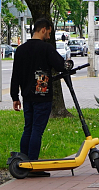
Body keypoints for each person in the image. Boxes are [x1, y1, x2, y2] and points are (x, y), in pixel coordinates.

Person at [10, 18, 66, 176]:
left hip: (27, 96)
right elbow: (61, 65)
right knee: (37, 130)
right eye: (49, 31)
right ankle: (33, 165)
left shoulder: (20, 50)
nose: (49, 34)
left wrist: (15, 97)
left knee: (28, 128)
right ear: (43, 29)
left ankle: (22, 161)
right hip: (42, 96)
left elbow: (16, 76)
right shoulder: (46, 49)